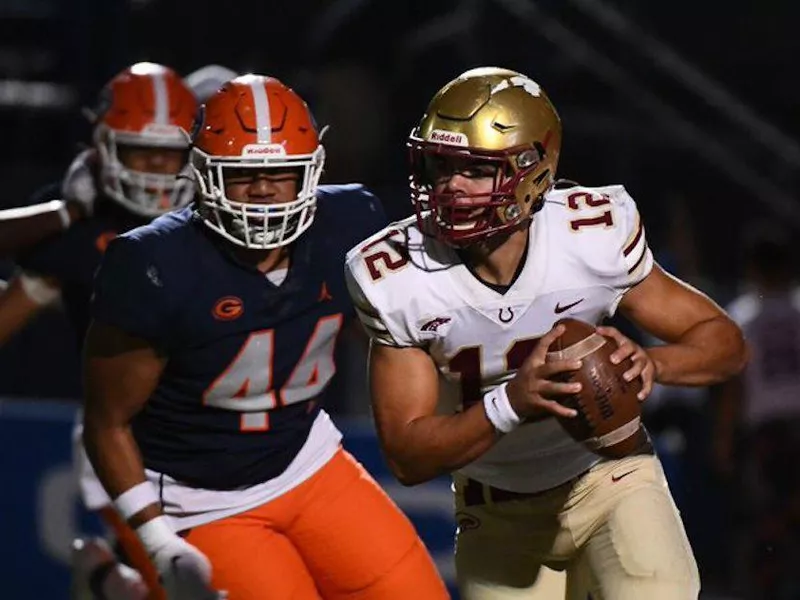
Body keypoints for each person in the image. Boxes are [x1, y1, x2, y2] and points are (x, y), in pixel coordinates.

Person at [344, 66, 748, 600]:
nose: (451, 187)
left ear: (533, 171)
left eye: (475, 171)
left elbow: (725, 342)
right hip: (496, 505)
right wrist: (511, 401)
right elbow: (407, 454)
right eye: (440, 167)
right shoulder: (399, 275)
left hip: (610, 476)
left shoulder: (590, 236)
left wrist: (654, 365)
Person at [82, 74, 449, 600]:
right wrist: (155, 537)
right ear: (206, 175)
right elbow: (106, 422)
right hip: (201, 497)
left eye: (280, 171)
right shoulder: (153, 263)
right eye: (243, 174)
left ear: (312, 172)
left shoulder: (351, 220)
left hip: (308, 460)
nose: (262, 188)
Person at [0, 61, 199, 600]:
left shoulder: (219, 213)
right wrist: (64, 214)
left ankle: (108, 581)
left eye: (170, 153)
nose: (158, 169)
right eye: (142, 151)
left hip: (217, 436)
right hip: (124, 440)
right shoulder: (79, 229)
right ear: (104, 148)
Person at [715, 225, 800, 598]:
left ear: (753, 268)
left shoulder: (743, 317)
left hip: (766, 433)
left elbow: (735, 387)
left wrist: (722, 441)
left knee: (763, 525)